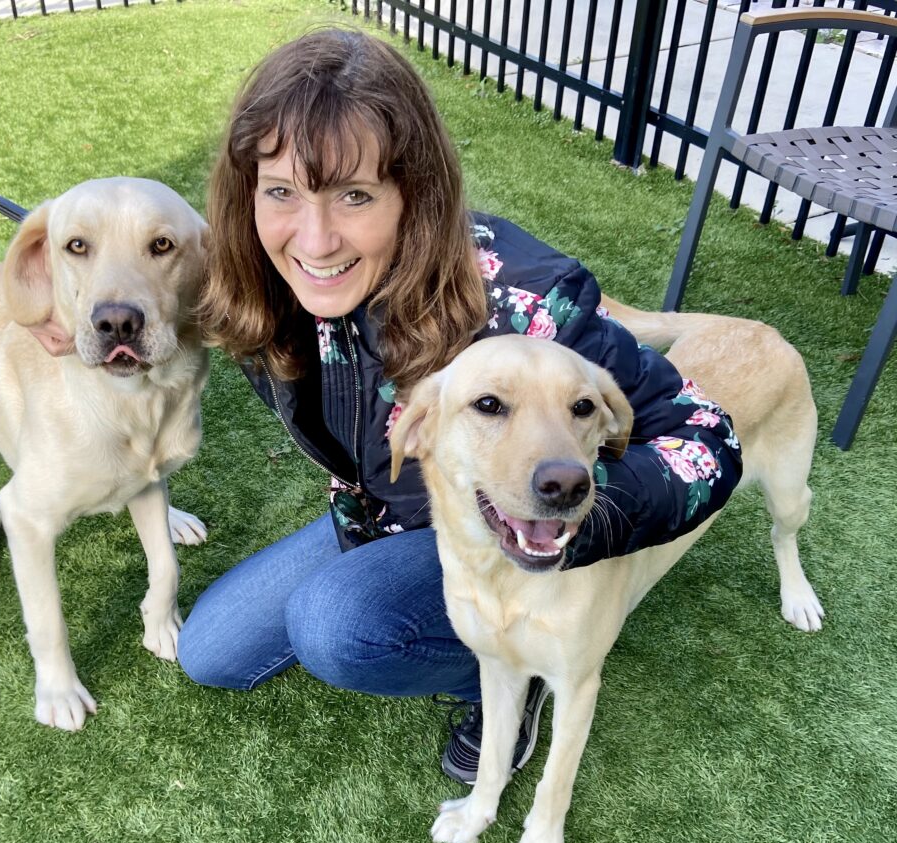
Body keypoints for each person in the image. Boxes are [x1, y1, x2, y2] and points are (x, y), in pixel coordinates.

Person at [177, 27, 742, 784]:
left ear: (415, 195)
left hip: (501, 528)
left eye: (354, 194)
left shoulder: (521, 296)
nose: (313, 237)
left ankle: (513, 676)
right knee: (208, 651)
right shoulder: (262, 279)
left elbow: (706, 438)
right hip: (379, 517)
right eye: (281, 191)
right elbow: (142, 276)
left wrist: (563, 503)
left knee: (335, 626)